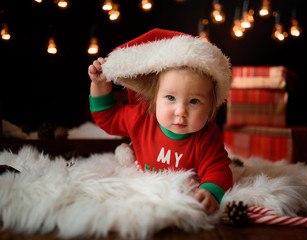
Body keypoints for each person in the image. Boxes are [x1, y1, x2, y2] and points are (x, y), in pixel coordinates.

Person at [88, 28, 232, 215]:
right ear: (154, 98)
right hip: (142, 198)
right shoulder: (142, 117)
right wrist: (99, 85)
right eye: (170, 98)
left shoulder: (206, 136)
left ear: (212, 107)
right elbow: (108, 118)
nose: (181, 112)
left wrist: (211, 191)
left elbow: (218, 169)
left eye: (194, 101)